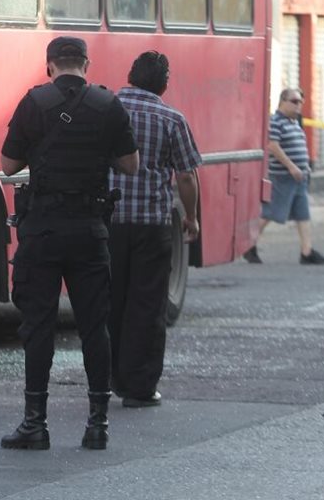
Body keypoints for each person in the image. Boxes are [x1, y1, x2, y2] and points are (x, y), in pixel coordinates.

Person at [0, 36, 138, 451]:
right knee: (95, 327)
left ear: (49, 66)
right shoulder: (108, 104)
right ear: (86, 64)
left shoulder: (33, 102)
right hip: (89, 231)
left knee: (38, 326)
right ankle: (97, 425)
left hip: (43, 231)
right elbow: (129, 165)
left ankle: (34, 423)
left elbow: (8, 165)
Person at [107, 52, 202, 409]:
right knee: (147, 306)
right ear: (164, 83)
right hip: (152, 226)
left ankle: (107, 379)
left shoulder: (106, 109)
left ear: (131, 76)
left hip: (109, 223)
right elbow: (187, 176)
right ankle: (140, 387)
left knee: (110, 300)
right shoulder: (171, 118)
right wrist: (190, 218)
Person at [244, 89, 324, 265]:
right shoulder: (275, 122)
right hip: (283, 177)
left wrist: (303, 169)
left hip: (299, 178)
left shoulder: (294, 122)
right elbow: (273, 146)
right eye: (294, 101)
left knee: (303, 214)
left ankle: (307, 252)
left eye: (300, 102)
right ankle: (248, 246)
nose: (298, 105)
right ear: (282, 101)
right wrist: (291, 167)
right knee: (270, 213)